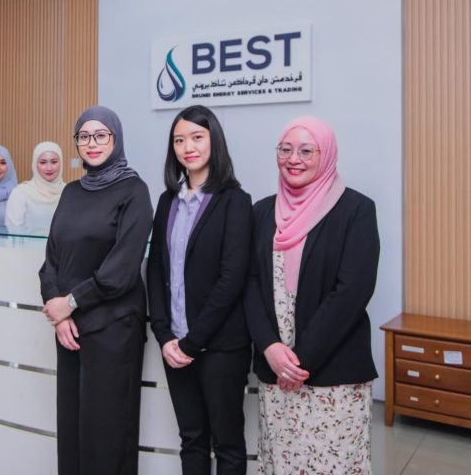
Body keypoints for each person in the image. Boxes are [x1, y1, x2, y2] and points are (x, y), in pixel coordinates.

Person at [244, 115, 380, 474]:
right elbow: (251, 284)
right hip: (276, 368)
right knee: (283, 462)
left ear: (327, 155)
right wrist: (270, 348)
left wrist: (299, 360)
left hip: (331, 370)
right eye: (286, 149)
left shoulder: (356, 210)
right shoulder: (261, 211)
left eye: (307, 150)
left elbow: (352, 291)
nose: (294, 159)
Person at [40, 106, 153, 475]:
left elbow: (121, 270)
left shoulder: (134, 190)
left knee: (106, 430)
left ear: (115, 139)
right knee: (71, 425)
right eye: (84, 136)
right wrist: (57, 313)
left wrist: (70, 303)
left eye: (101, 135)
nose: (92, 143)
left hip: (113, 327)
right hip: (69, 330)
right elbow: (51, 260)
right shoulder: (72, 191)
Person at [147, 105, 252, 474]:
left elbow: (232, 278)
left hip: (221, 346)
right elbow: (156, 268)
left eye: (196, 137)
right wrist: (164, 336)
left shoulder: (235, 201)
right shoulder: (167, 201)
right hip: (174, 344)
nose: (187, 146)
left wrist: (192, 342)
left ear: (213, 141)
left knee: (227, 442)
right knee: (191, 439)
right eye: (179, 139)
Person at [5, 141, 65, 234]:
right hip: (28, 248)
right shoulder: (21, 192)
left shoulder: (68, 191)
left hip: (62, 249)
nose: (49, 168)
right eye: (43, 162)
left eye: (54, 162)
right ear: (34, 164)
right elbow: (14, 232)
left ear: (61, 163)